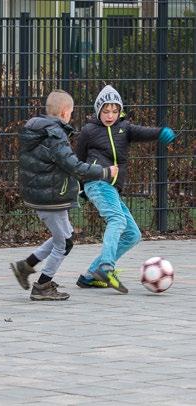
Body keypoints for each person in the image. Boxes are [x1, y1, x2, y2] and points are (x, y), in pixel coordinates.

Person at [10, 90, 118, 301]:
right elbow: (73, 165)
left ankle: (25, 266)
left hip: (43, 194)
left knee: (63, 234)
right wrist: (104, 171)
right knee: (65, 243)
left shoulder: (37, 130)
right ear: (64, 112)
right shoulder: (54, 134)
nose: (71, 116)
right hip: (51, 197)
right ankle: (43, 286)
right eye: (71, 112)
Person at [75, 85, 176, 293]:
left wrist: (160, 133)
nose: (110, 115)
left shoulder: (125, 128)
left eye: (114, 111)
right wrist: (82, 185)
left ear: (120, 111)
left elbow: (144, 132)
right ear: (98, 110)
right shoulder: (89, 130)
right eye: (105, 111)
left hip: (112, 189)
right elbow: (78, 159)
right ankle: (106, 267)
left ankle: (91, 276)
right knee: (117, 220)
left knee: (132, 234)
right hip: (97, 182)